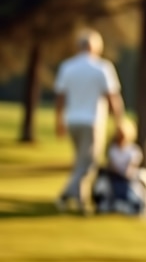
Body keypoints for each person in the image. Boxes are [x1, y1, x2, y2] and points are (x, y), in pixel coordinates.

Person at [54, 28, 125, 214]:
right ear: (96, 48)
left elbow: (60, 98)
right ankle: (65, 195)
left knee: (80, 162)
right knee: (90, 163)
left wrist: (58, 121)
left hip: (72, 120)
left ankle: (81, 201)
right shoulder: (102, 67)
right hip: (92, 121)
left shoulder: (67, 67)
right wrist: (119, 122)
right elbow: (113, 98)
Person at [92, 118, 146, 217]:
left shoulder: (134, 150)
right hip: (114, 179)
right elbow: (111, 165)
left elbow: (131, 167)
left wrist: (125, 172)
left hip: (129, 180)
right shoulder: (112, 150)